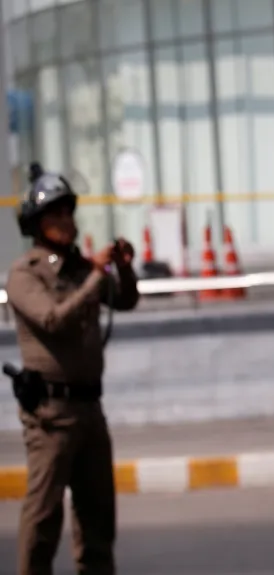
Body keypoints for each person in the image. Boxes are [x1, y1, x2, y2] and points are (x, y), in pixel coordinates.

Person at [6, 163, 139, 575]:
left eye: (68, 212)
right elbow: (52, 320)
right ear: (36, 223)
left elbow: (125, 300)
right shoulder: (25, 274)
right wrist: (96, 276)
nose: (66, 222)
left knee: (98, 518)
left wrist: (123, 266)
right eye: (55, 215)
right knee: (44, 519)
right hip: (50, 414)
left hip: (89, 410)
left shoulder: (82, 268)